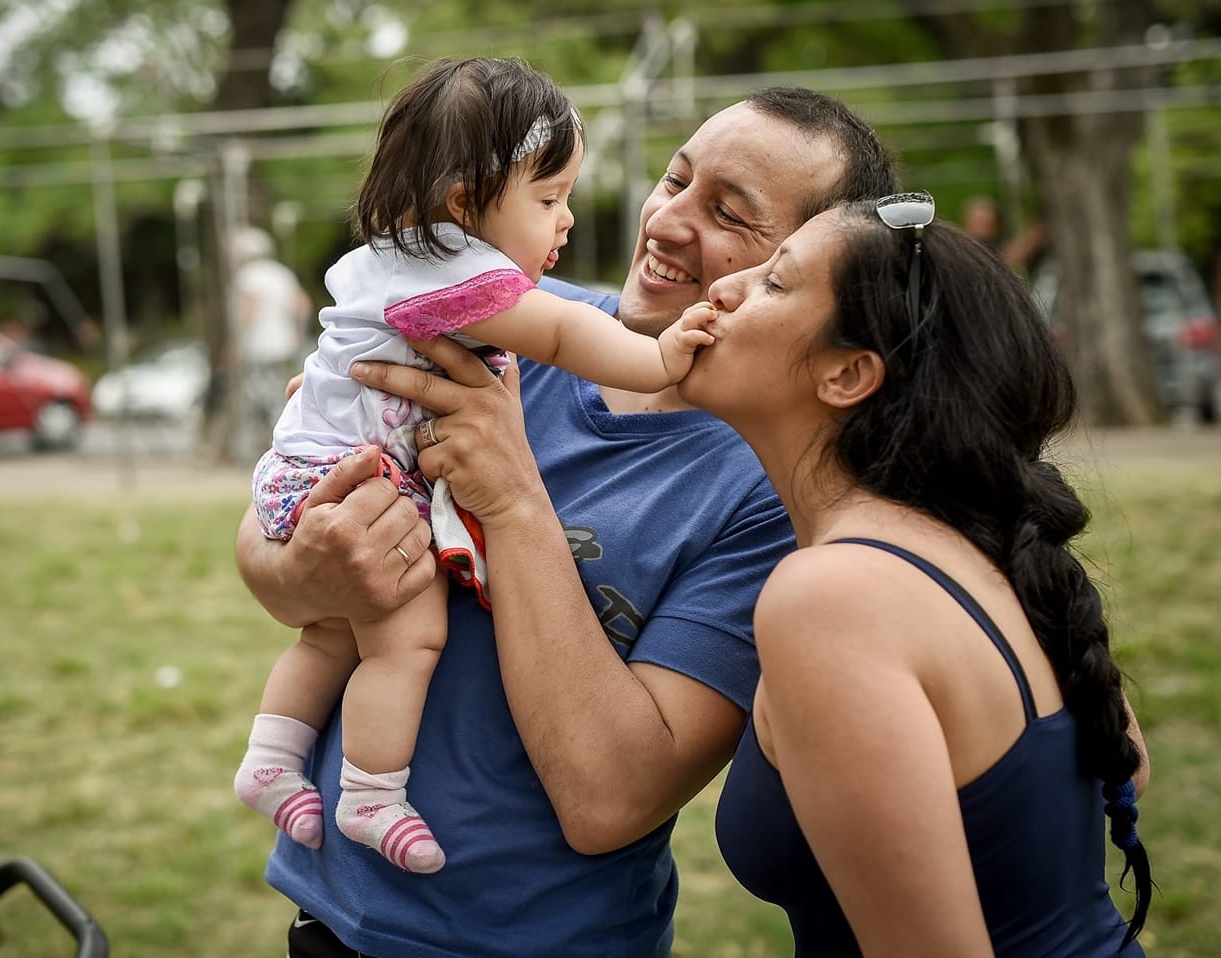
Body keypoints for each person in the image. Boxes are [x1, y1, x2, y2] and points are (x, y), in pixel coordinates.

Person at [234, 82, 899, 958]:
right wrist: (302, 569)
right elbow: (277, 520)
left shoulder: (778, 502)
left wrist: (512, 501)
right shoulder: (507, 323)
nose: (664, 221)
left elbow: (609, 802)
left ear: (817, 273)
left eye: (730, 215)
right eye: (675, 179)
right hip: (329, 919)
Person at [235, 57, 713, 877]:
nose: (565, 221)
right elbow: (565, 337)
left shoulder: (403, 259)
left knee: (334, 633)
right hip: (342, 480)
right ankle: (371, 794)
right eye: (548, 199)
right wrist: (664, 354)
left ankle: (272, 759)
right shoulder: (467, 282)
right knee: (408, 633)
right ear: (464, 206)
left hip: (302, 468)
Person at [669, 194, 1150, 955]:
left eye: (774, 282)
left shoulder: (835, 598)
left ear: (848, 374)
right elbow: (1125, 770)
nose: (724, 287)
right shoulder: (984, 548)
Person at [231, 226, 313, 437]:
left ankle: (273, 436)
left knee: (259, 394)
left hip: (260, 347)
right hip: (285, 345)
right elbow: (302, 304)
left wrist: (236, 342)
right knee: (278, 391)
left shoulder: (248, 275)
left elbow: (250, 312)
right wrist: (299, 334)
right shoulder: (281, 273)